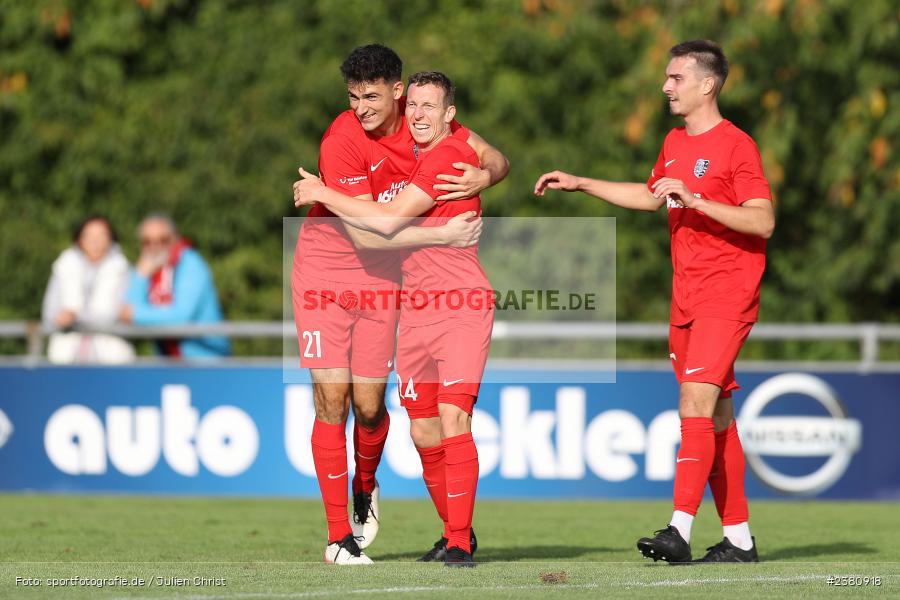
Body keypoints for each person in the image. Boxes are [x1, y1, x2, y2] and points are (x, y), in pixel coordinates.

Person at [534, 40, 774, 563]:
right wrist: (580, 183)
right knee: (715, 420)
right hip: (686, 296)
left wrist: (697, 199)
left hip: (726, 293)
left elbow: (763, 220)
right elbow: (649, 197)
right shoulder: (672, 141)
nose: (666, 86)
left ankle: (678, 530)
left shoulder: (737, 145)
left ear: (707, 85)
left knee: (694, 404)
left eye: (676, 78)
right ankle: (738, 540)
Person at [291, 45, 507, 565]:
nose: (360, 107)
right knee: (332, 400)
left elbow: (496, 158)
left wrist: (485, 176)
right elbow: (367, 237)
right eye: (352, 97)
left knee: (369, 408)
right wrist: (441, 236)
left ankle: (365, 484)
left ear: (398, 91)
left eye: (370, 96)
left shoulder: (424, 123)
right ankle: (338, 535)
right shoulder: (342, 139)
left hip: (386, 281)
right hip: (324, 274)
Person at [120, 214, 230, 358]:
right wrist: (141, 276)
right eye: (147, 242)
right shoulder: (150, 271)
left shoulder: (191, 264)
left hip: (205, 359)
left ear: (175, 238)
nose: (155, 247)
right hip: (168, 361)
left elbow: (181, 316)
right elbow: (128, 311)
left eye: (163, 240)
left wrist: (136, 314)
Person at [42, 215, 135, 364]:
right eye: (90, 235)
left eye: (101, 235)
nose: (95, 241)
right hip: (66, 357)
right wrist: (62, 318)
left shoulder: (123, 269)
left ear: (111, 239)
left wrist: (75, 317)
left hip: (111, 356)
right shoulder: (64, 267)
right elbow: (49, 313)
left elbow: (120, 313)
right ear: (79, 239)